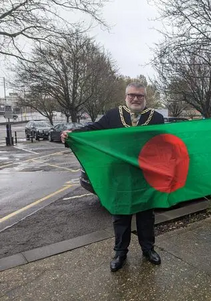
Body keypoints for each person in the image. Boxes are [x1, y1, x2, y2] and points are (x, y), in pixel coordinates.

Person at [61, 82, 165, 272]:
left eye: (140, 96)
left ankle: (148, 249)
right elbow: (93, 130)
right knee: (121, 216)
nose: (135, 99)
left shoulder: (157, 118)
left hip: (145, 176)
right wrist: (72, 135)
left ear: (145, 98)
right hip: (119, 175)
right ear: (125, 97)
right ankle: (120, 253)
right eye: (132, 95)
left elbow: (164, 143)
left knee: (146, 216)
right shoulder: (112, 116)